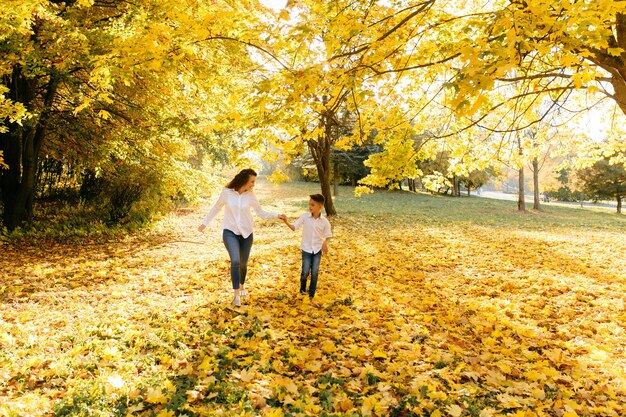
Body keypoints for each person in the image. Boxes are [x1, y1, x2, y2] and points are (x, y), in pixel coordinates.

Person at [198, 168, 286, 307]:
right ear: (244, 180)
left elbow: (260, 212)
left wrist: (277, 215)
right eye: (252, 181)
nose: (253, 184)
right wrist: (204, 223)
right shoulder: (227, 193)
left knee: (243, 264)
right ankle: (236, 295)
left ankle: (242, 285)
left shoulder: (250, 196)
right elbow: (216, 208)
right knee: (235, 260)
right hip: (230, 232)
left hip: (246, 233)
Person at [281, 194, 332, 298]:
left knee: (314, 272)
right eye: (309, 204)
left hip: (317, 250)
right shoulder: (305, 217)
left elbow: (328, 235)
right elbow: (294, 227)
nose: (310, 207)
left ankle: (311, 294)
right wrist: (286, 221)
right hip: (306, 249)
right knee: (305, 271)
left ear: (320, 206)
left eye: (313, 205)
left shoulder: (325, 222)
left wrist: (325, 243)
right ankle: (302, 290)